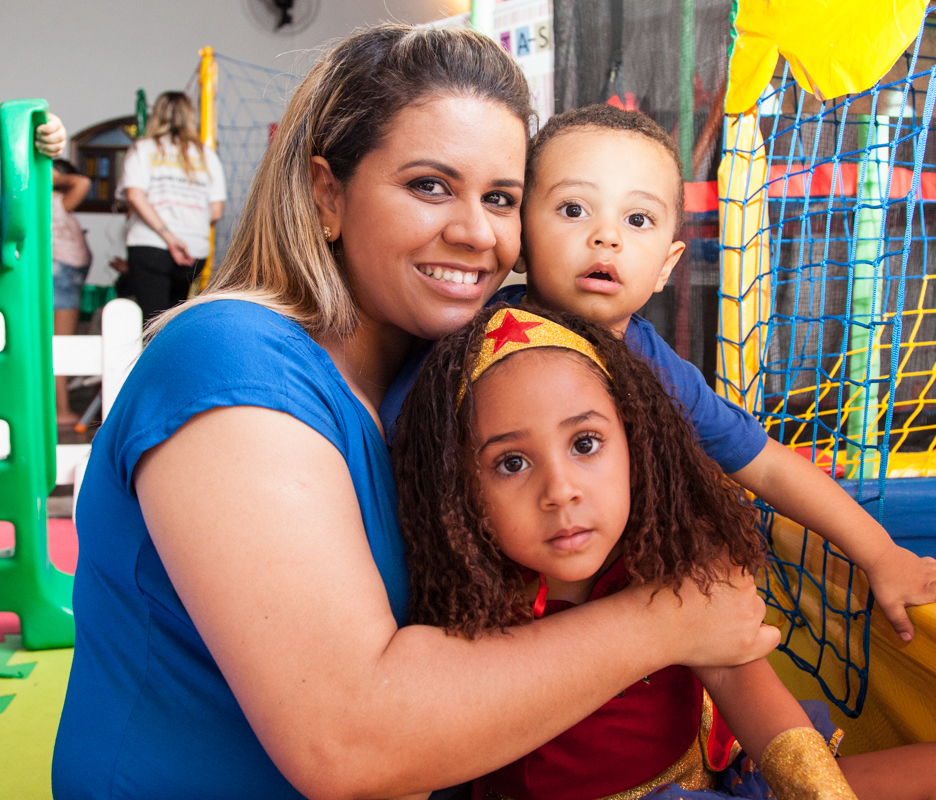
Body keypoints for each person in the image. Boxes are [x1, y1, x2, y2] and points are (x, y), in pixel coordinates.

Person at [53, 25, 775, 800]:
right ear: (327, 194)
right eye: (430, 186)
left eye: (500, 198)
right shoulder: (230, 359)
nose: (474, 233)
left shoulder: (435, 392)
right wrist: (666, 621)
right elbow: (347, 739)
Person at [382, 103, 936, 645]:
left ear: (669, 264)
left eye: (638, 221)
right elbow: (397, 445)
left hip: (617, 626)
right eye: (573, 209)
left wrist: (880, 555)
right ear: (521, 238)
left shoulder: (656, 367)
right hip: (486, 622)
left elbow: (768, 463)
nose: (605, 237)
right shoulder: (477, 343)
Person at [393, 304, 936, 800]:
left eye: (586, 443)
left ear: (636, 446)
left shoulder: (670, 559)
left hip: (716, 777)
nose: (561, 490)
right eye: (512, 463)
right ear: (460, 492)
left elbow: (748, 692)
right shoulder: (468, 602)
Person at [116, 91, 226, 321]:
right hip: (193, 249)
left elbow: (135, 195)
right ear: (190, 115)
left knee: (151, 322)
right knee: (174, 322)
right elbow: (216, 211)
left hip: (150, 244)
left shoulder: (143, 149)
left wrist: (168, 236)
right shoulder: (207, 155)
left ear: (157, 114)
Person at [50, 159, 92, 425]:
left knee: (59, 345)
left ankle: (59, 408)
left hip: (65, 277)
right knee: (60, 346)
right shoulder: (53, 201)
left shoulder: (56, 207)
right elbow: (83, 182)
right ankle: (59, 410)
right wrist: (51, 178)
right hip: (60, 277)